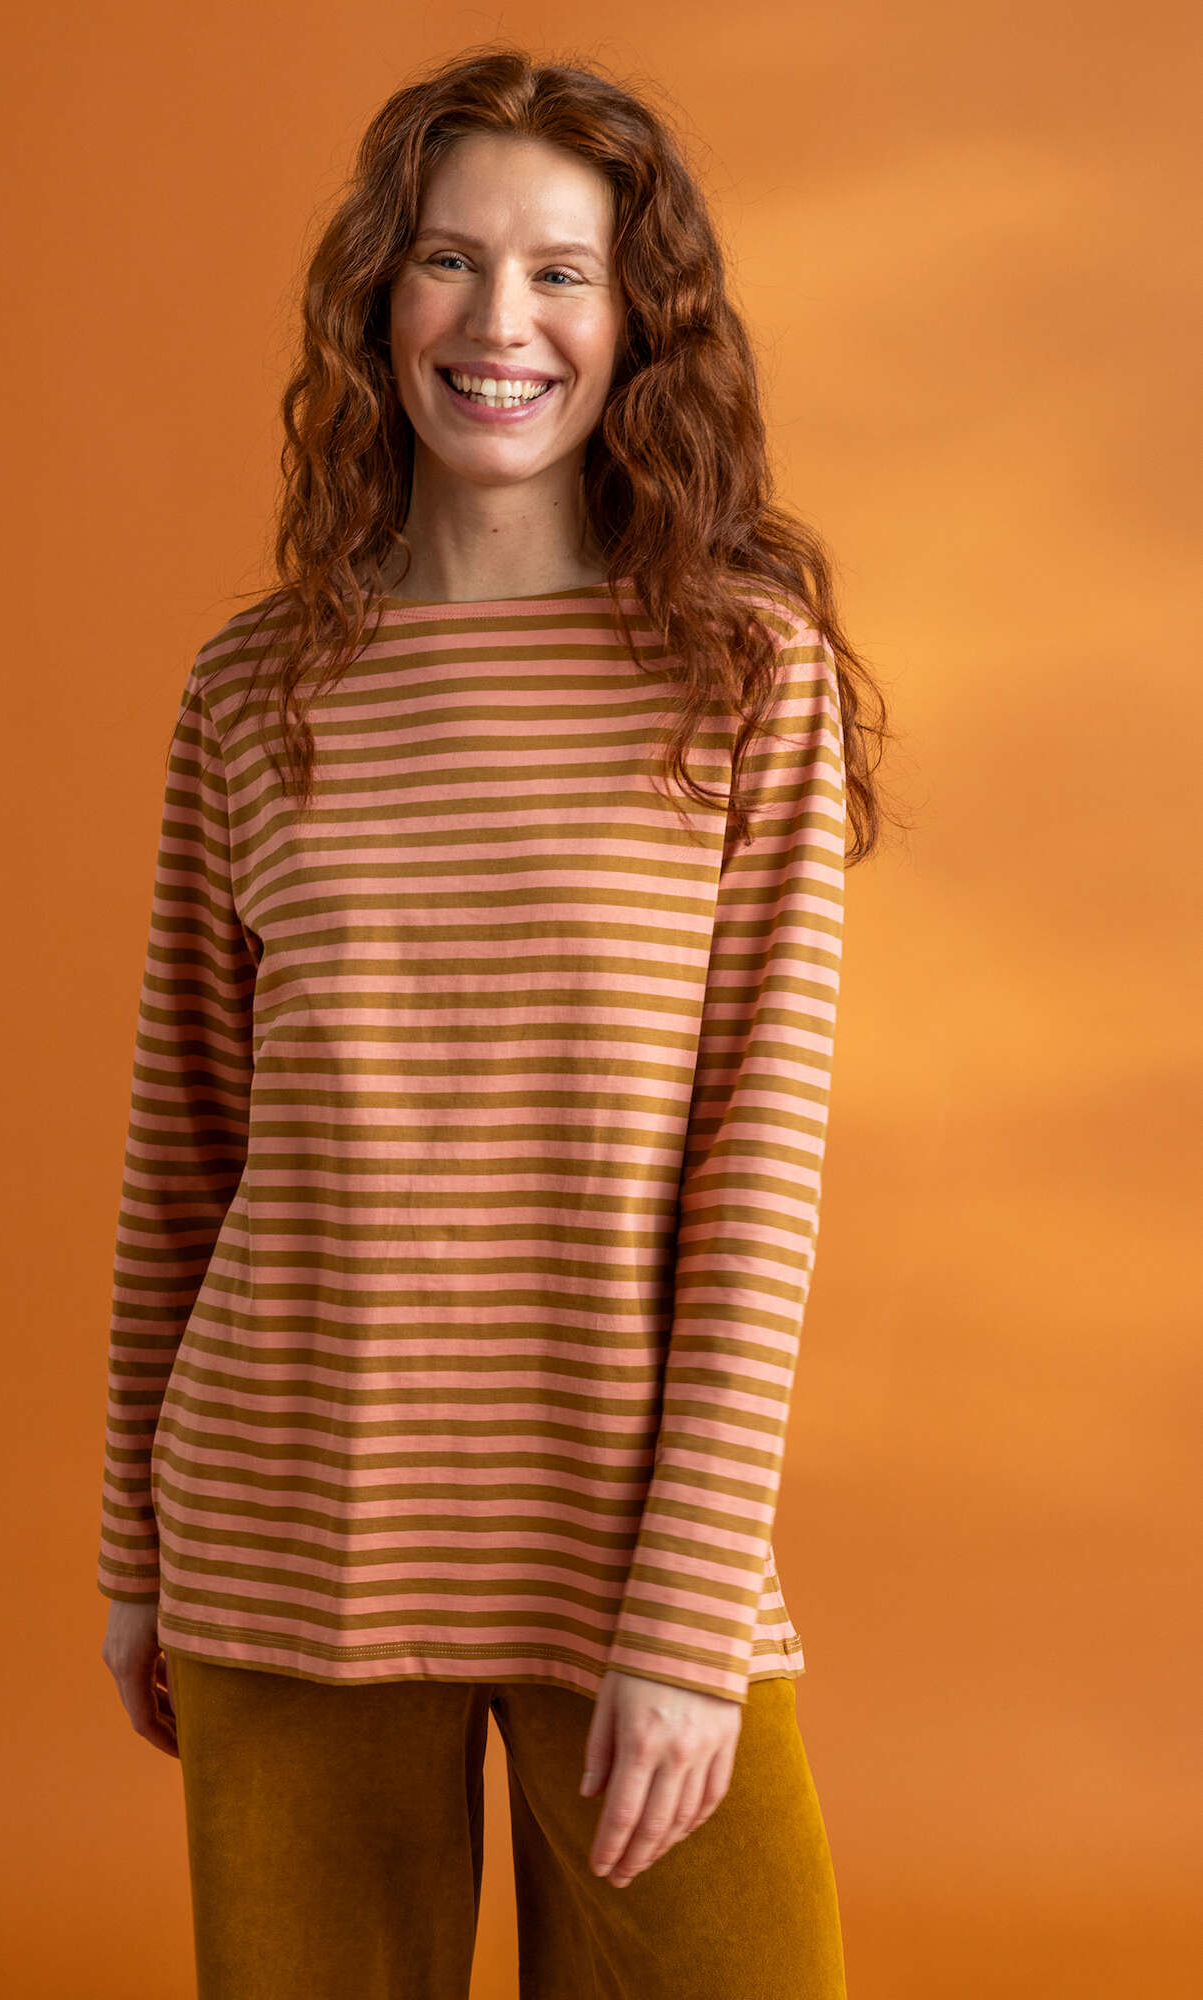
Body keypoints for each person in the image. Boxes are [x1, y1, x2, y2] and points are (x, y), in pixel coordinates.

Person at [97, 42, 897, 2000]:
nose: (499, 321)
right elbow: (184, 1145)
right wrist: (133, 1549)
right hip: (280, 1535)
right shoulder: (252, 688)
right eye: (450, 261)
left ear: (640, 324)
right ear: (381, 300)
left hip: (622, 1554)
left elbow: (759, 1172)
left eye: (561, 271)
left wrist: (688, 1609)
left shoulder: (745, 678)